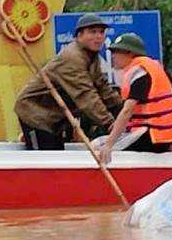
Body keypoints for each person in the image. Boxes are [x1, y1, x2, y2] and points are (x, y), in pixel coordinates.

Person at [14, 14, 125, 150]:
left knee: (57, 158)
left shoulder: (91, 57)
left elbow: (103, 87)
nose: (99, 37)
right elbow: (86, 96)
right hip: (35, 112)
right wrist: (109, 123)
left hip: (54, 116)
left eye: (101, 32)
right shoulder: (72, 58)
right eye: (92, 32)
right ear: (79, 35)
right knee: (46, 160)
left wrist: (125, 109)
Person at [97, 33, 172, 156]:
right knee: (100, 143)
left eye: (117, 52)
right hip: (160, 134)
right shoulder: (144, 68)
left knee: (100, 146)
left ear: (130, 53)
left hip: (154, 135)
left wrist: (108, 145)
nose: (113, 56)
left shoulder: (139, 72)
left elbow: (127, 110)